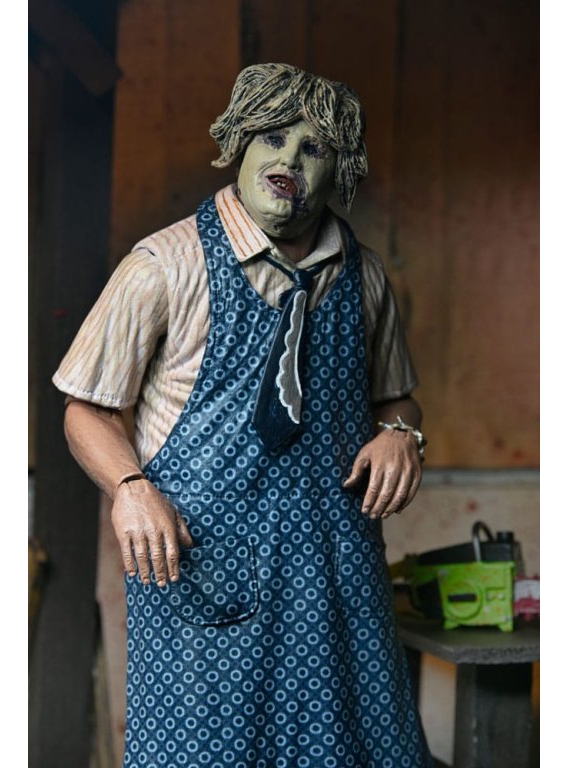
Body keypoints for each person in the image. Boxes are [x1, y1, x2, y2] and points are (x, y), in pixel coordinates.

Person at [54, 63, 432, 768]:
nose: (289, 160)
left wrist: (400, 434)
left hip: (337, 584)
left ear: (339, 168)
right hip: (202, 576)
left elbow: (395, 399)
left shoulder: (365, 277)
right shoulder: (163, 267)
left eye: (313, 147)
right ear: (239, 144)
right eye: (272, 138)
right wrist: (130, 489)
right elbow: (87, 410)